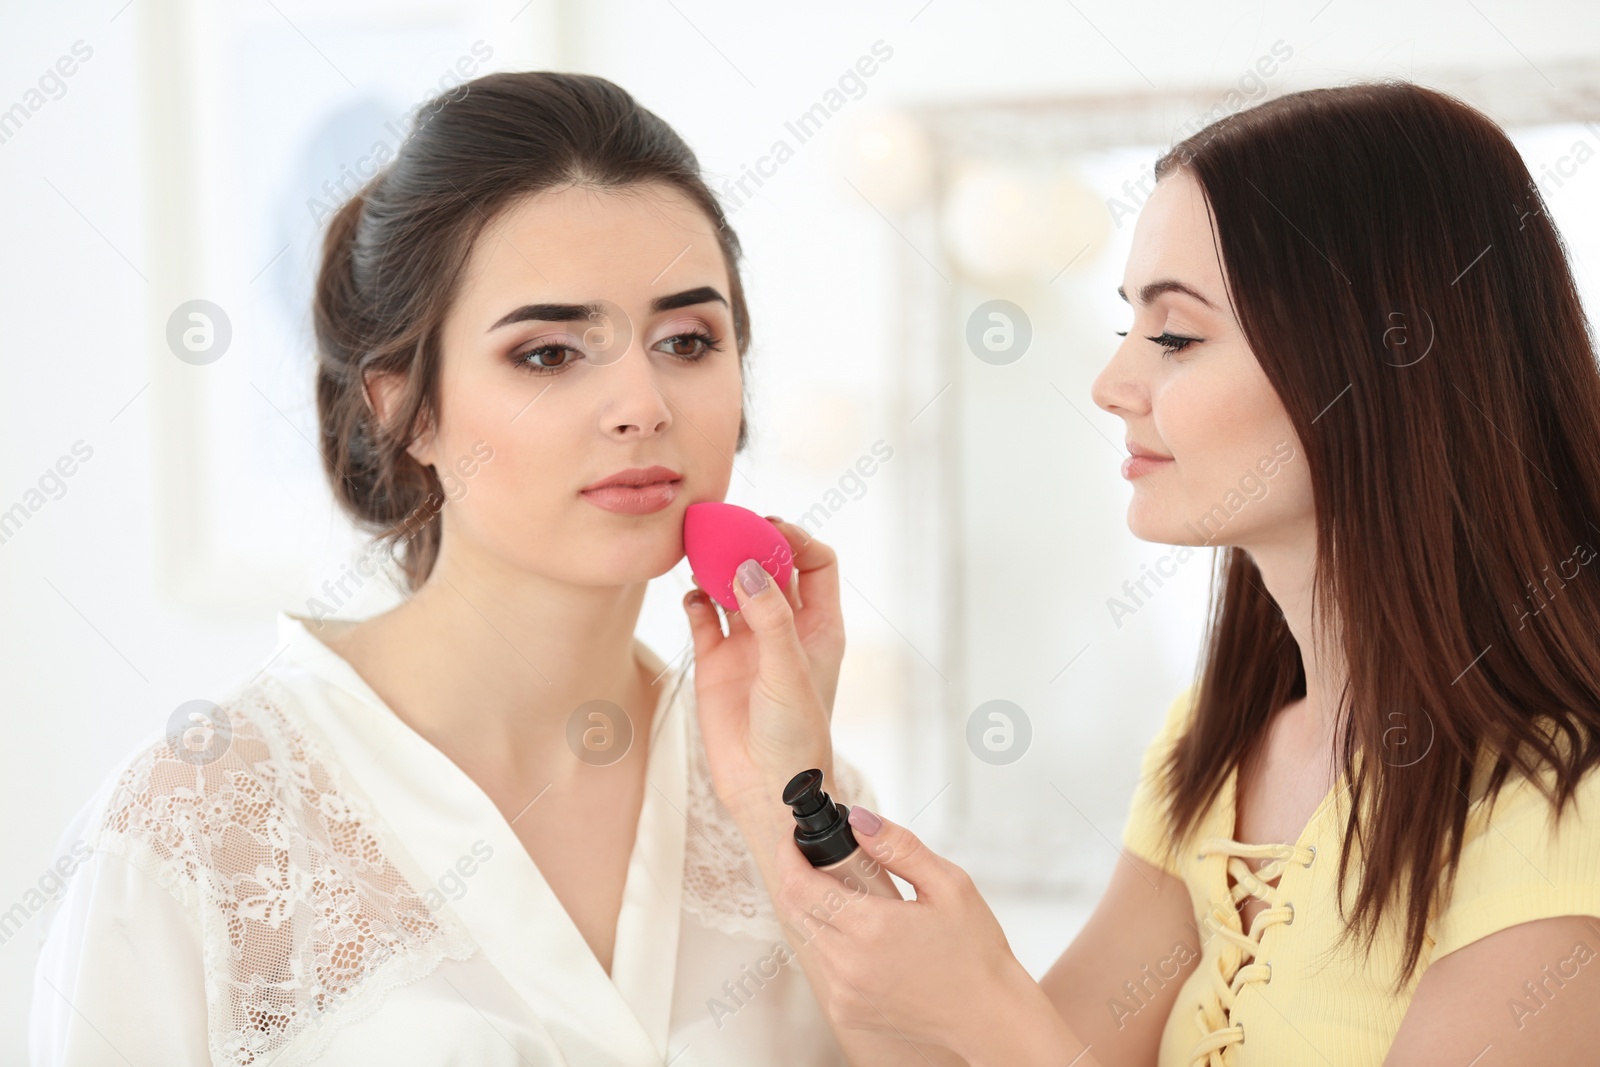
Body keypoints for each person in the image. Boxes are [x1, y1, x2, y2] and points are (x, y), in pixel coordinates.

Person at [29, 71, 945, 1066]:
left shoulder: (796, 788)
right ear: (401, 406)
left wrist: (792, 804)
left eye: (687, 340)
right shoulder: (193, 826)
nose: (642, 402)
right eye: (549, 354)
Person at [765, 81, 1600, 1066]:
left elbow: (1007, 1041)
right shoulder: (1213, 751)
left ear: (1379, 362)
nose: (1112, 382)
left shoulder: (1560, 800)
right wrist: (777, 749)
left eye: (1174, 335)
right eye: (1129, 324)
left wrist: (982, 999)